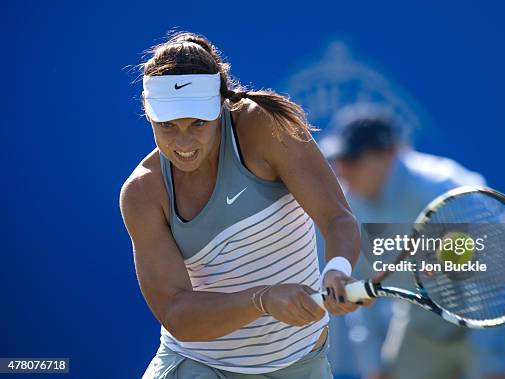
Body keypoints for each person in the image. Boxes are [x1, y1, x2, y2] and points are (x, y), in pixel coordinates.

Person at [119, 32, 369, 379]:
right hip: (199, 366)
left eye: (197, 123)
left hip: (301, 363)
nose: (184, 142)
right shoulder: (143, 193)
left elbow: (337, 217)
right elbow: (178, 315)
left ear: (221, 106)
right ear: (148, 116)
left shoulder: (265, 128)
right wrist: (263, 300)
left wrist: (337, 270)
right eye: (168, 127)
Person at [320, 104, 505, 379]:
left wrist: (489, 358)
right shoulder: (349, 205)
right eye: (339, 160)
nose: (342, 170)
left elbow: (490, 274)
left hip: (498, 307)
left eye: (352, 159)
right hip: (423, 319)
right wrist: (373, 366)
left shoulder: (441, 188)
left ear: (388, 154)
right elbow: (361, 288)